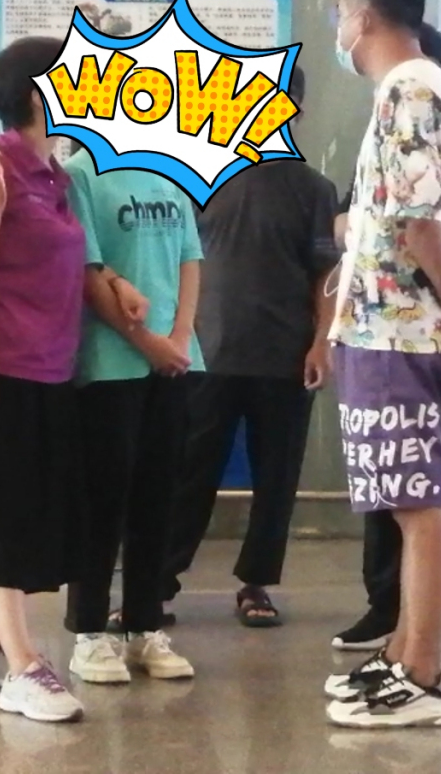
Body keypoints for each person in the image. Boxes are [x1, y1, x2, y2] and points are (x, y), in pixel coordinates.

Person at [0, 36, 146, 724]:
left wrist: (113, 281)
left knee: (16, 511)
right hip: (0, 372)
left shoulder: (54, 176)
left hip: (52, 368)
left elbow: (69, 257)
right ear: (36, 94)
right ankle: (24, 667)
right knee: (7, 522)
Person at [319, 0, 441, 730]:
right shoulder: (416, 89)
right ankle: (404, 650)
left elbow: (419, 220)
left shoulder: (411, 91)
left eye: (340, 14)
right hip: (387, 327)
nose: (338, 29)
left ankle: (424, 673)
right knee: (406, 501)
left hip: (402, 331)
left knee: (420, 503)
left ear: (363, 17)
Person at [332, 24, 441, 666]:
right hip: (390, 326)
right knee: (399, 489)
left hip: (439, 329)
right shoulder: (390, 126)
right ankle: (395, 625)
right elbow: (349, 221)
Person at [159, 65, 339, 628]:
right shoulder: (198, 176)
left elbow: (326, 275)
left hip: (285, 356)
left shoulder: (314, 189)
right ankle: (157, 586)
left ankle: (256, 585)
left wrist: (322, 343)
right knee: (187, 474)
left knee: (276, 479)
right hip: (205, 353)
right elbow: (175, 262)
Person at [63, 118, 205, 685]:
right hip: (110, 363)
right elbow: (88, 273)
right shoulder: (80, 174)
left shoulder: (171, 173)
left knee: (159, 499)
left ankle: (145, 626)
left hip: (176, 359)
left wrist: (180, 336)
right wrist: (147, 342)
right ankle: (89, 632)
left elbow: (190, 260)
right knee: (103, 501)